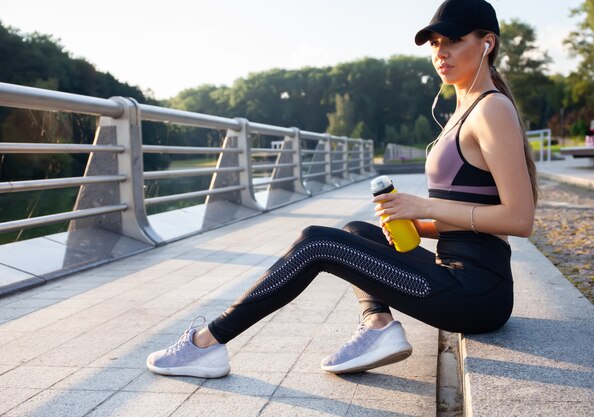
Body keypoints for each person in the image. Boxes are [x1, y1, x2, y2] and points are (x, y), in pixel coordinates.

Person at [146, 0, 537, 379]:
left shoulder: (491, 109)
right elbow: (472, 211)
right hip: (455, 274)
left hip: (477, 295)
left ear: (487, 43)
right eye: (435, 43)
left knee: (318, 242)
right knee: (355, 230)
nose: (441, 53)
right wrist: (420, 226)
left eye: (453, 41)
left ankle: (206, 343)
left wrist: (424, 206)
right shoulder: (465, 108)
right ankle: (379, 327)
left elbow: (519, 219)